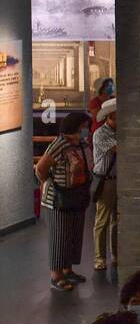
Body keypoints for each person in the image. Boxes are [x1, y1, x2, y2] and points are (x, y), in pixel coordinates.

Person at [36, 111, 93, 292]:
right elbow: (41, 168)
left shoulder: (82, 145)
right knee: (60, 236)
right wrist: (49, 182)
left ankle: (68, 269)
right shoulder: (59, 145)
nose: (85, 130)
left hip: (77, 196)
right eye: (83, 126)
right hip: (58, 199)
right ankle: (56, 275)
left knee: (74, 234)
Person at [91, 98, 118, 272]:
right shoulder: (100, 134)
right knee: (102, 221)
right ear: (110, 116)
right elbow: (120, 148)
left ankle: (116, 254)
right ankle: (99, 258)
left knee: (116, 221)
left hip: (118, 180)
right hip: (105, 180)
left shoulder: (118, 132)